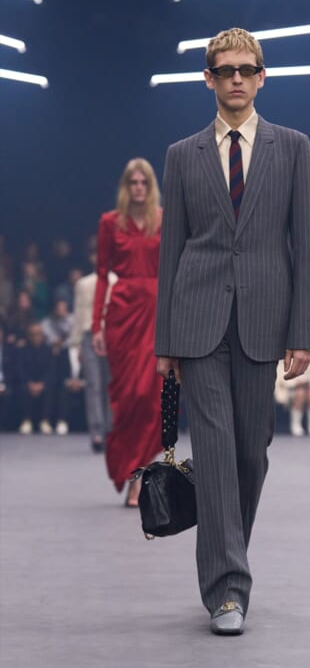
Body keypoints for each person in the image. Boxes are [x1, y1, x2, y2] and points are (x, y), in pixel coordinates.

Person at [155, 28, 310, 635]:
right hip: (197, 321)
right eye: (225, 70)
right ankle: (227, 588)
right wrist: (165, 342)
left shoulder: (293, 148)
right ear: (208, 79)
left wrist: (303, 331)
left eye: (247, 69)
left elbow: (305, 243)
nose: (237, 79)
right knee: (217, 450)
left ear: (262, 77)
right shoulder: (182, 155)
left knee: (251, 453)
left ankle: (228, 557)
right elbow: (171, 251)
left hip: (264, 322)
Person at [92, 158, 163, 505]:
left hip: (156, 314)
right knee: (128, 399)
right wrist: (97, 324)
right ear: (125, 186)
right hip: (122, 316)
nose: (138, 188)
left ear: (150, 187)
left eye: (143, 183)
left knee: (152, 399)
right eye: (133, 182)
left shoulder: (163, 220)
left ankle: (140, 479)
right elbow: (101, 275)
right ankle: (132, 472)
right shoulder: (110, 222)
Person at [70, 249, 115, 452]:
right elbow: (79, 313)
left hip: (112, 336)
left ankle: (109, 431)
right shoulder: (83, 283)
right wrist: (76, 342)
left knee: (110, 385)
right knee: (93, 385)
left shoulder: (117, 281)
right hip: (89, 336)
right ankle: (97, 432)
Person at [17, 322, 55, 435]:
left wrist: (42, 383)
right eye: (33, 334)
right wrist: (29, 383)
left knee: (50, 387)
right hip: (28, 382)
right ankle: (26, 420)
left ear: (42, 335)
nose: (36, 337)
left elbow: (51, 370)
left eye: (38, 334)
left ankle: (45, 421)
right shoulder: (22, 350)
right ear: (29, 336)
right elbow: (20, 370)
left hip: (43, 382)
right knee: (22, 387)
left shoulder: (48, 350)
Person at [275, 356, 310, 437]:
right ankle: (296, 425)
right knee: (300, 394)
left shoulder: (307, 360)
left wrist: (306, 383)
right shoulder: (282, 361)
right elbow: (280, 379)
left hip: (306, 388)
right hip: (288, 390)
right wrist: (296, 384)